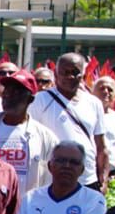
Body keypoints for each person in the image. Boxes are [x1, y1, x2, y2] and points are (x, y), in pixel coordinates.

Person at [35, 53, 109, 189]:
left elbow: (101, 146)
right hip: (51, 181)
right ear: (56, 74)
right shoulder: (40, 100)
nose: (70, 77)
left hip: (87, 180)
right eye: (65, 72)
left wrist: (103, 179)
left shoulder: (94, 103)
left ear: (83, 75)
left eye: (75, 72)